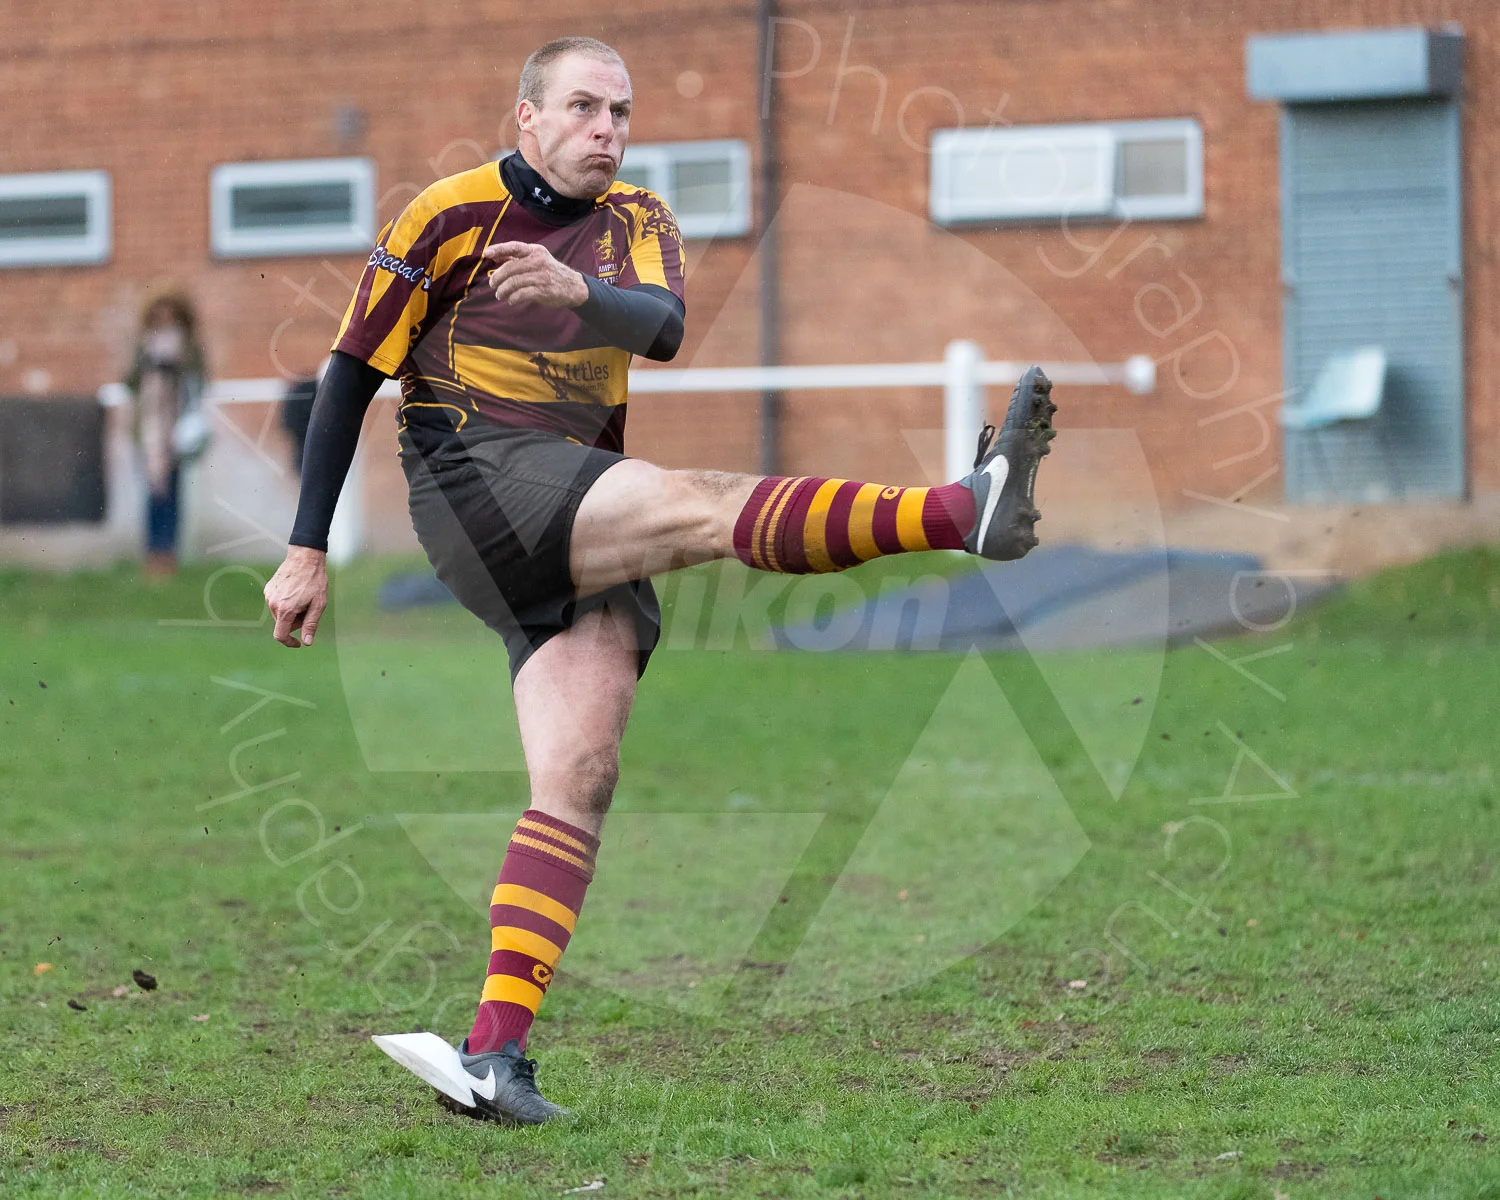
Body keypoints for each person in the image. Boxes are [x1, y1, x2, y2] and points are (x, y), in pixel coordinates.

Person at [262, 35, 1057, 1126]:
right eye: (583, 107)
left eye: (621, 111)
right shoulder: (443, 216)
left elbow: (666, 327)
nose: (606, 129)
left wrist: (572, 289)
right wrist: (306, 547)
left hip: (576, 489)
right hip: (474, 481)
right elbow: (348, 374)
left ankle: (492, 1057)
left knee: (579, 777)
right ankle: (961, 512)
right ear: (526, 117)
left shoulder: (640, 221)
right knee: (698, 504)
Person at [125, 291, 207, 577]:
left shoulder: (189, 348)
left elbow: (200, 380)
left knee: (172, 494)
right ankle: (152, 554)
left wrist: (176, 364)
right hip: (148, 434)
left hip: (176, 432)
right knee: (152, 494)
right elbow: (129, 380)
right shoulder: (143, 346)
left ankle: (168, 554)